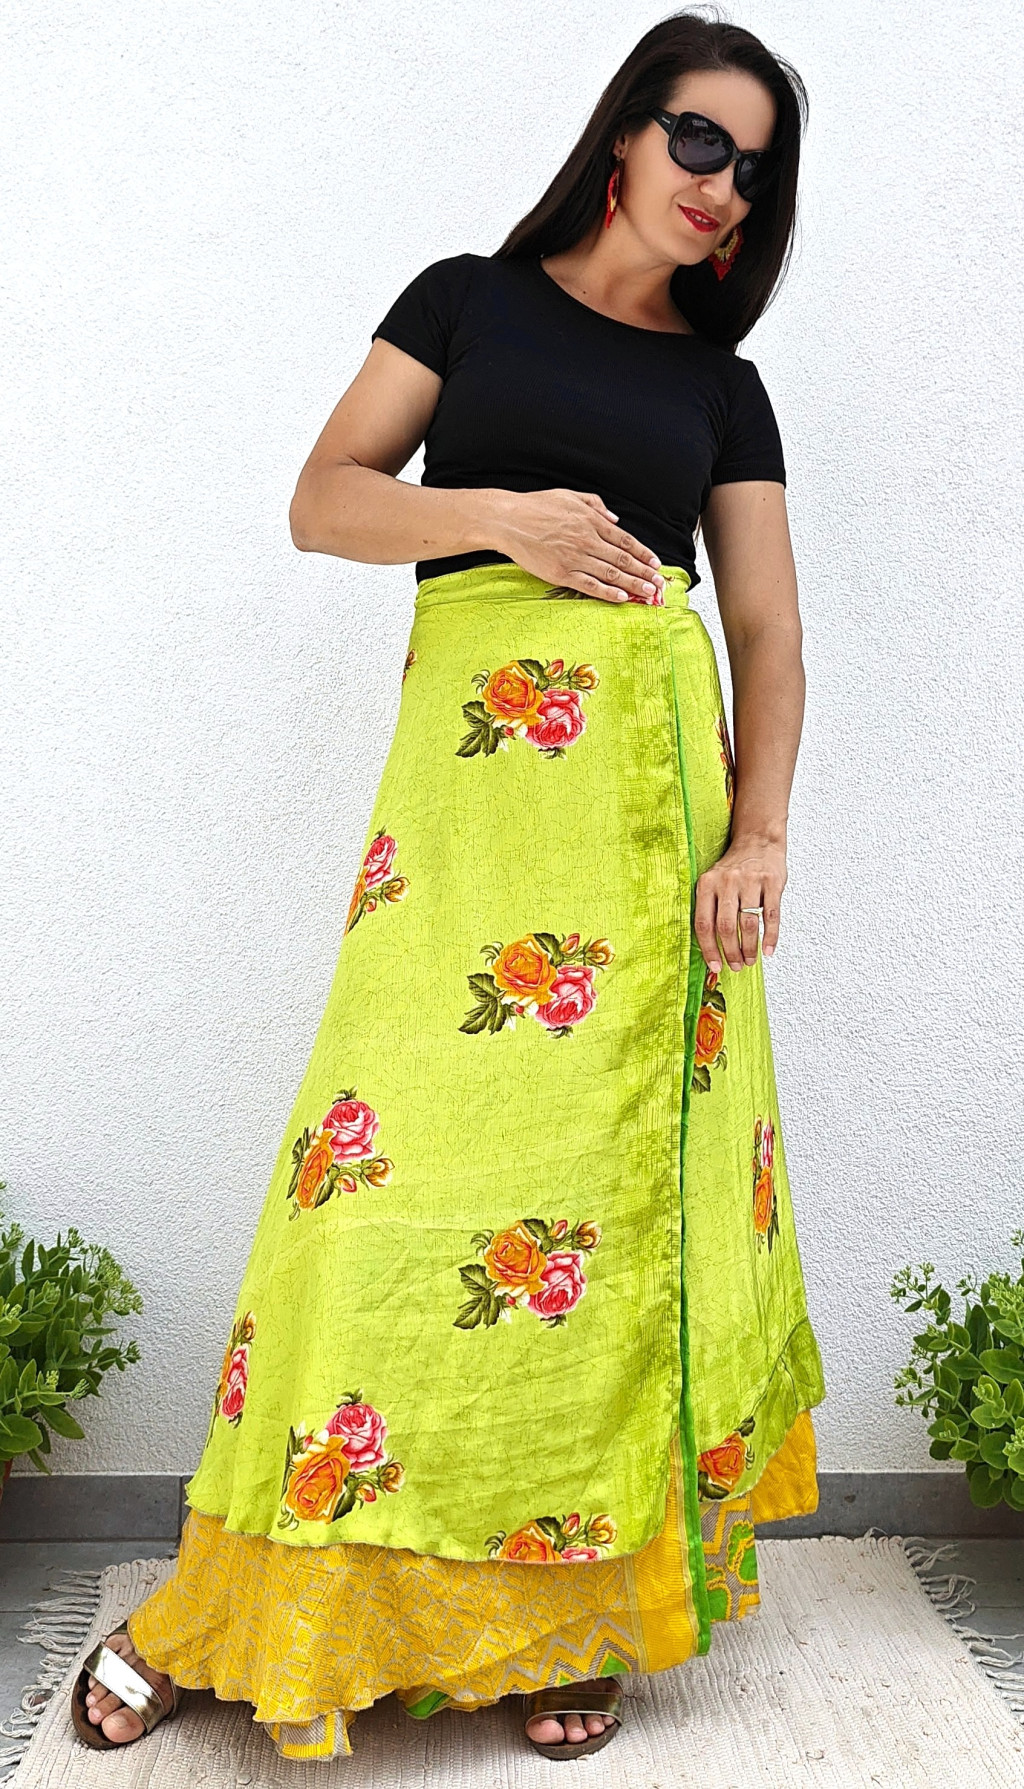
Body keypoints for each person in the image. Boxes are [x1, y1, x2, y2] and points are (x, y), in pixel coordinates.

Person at [72, 9, 826, 1764]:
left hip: (646, 829)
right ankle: (232, 1600)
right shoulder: (469, 299)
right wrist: (502, 517)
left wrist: (761, 833)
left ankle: (566, 1616)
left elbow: (770, 627)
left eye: (755, 167)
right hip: (463, 835)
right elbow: (324, 500)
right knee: (367, 1199)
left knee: (599, 1224)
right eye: (701, 140)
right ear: (627, 135)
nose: (724, 186)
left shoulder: (721, 388)